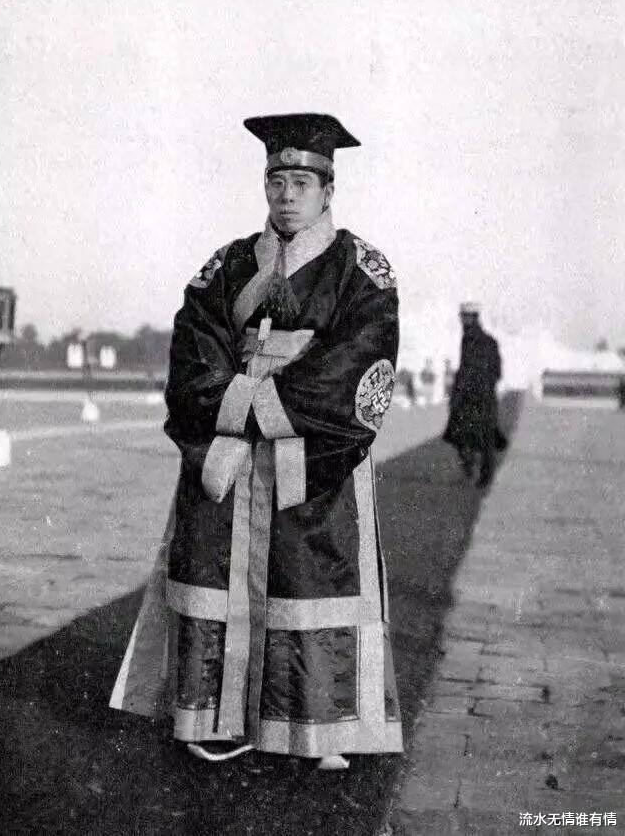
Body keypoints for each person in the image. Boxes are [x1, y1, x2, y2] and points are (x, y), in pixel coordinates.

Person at [110, 113, 403, 772]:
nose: (287, 195)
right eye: (276, 181)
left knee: (307, 573)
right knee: (216, 570)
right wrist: (235, 412)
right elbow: (194, 348)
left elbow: (358, 362)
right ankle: (213, 717)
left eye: (302, 183)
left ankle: (318, 726)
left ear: (328, 190)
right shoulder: (228, 264)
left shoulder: (363, 270)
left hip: (310, 452)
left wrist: (263, 408)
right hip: (229, 450)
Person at [443, 302, 506, 488]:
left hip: (469, 397)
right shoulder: (490, 341)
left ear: (470, 318)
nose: (462, 320)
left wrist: (458, 395)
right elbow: (498, 372)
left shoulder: (468, 339)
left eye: (464, 317)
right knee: (485, 438)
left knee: (462, 435)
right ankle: (484, 476)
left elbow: (466, 371)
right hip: (486, 397)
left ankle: (471, 468)